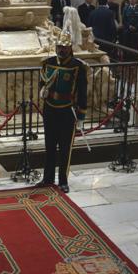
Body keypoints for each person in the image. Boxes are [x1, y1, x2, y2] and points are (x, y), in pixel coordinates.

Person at [37, 30, 88, 193]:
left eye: (64, 47)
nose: (61, 50)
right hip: (50, 110)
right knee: (49, 146)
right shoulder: (47, 63)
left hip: (67, 111)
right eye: (59, 46)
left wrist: (81, 114)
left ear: (70, 48)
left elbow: (82, 91)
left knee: (65, 148)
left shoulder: (77, 66)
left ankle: (63, 180)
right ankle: (48, 178)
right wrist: (42, 92)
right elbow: (42, 83)